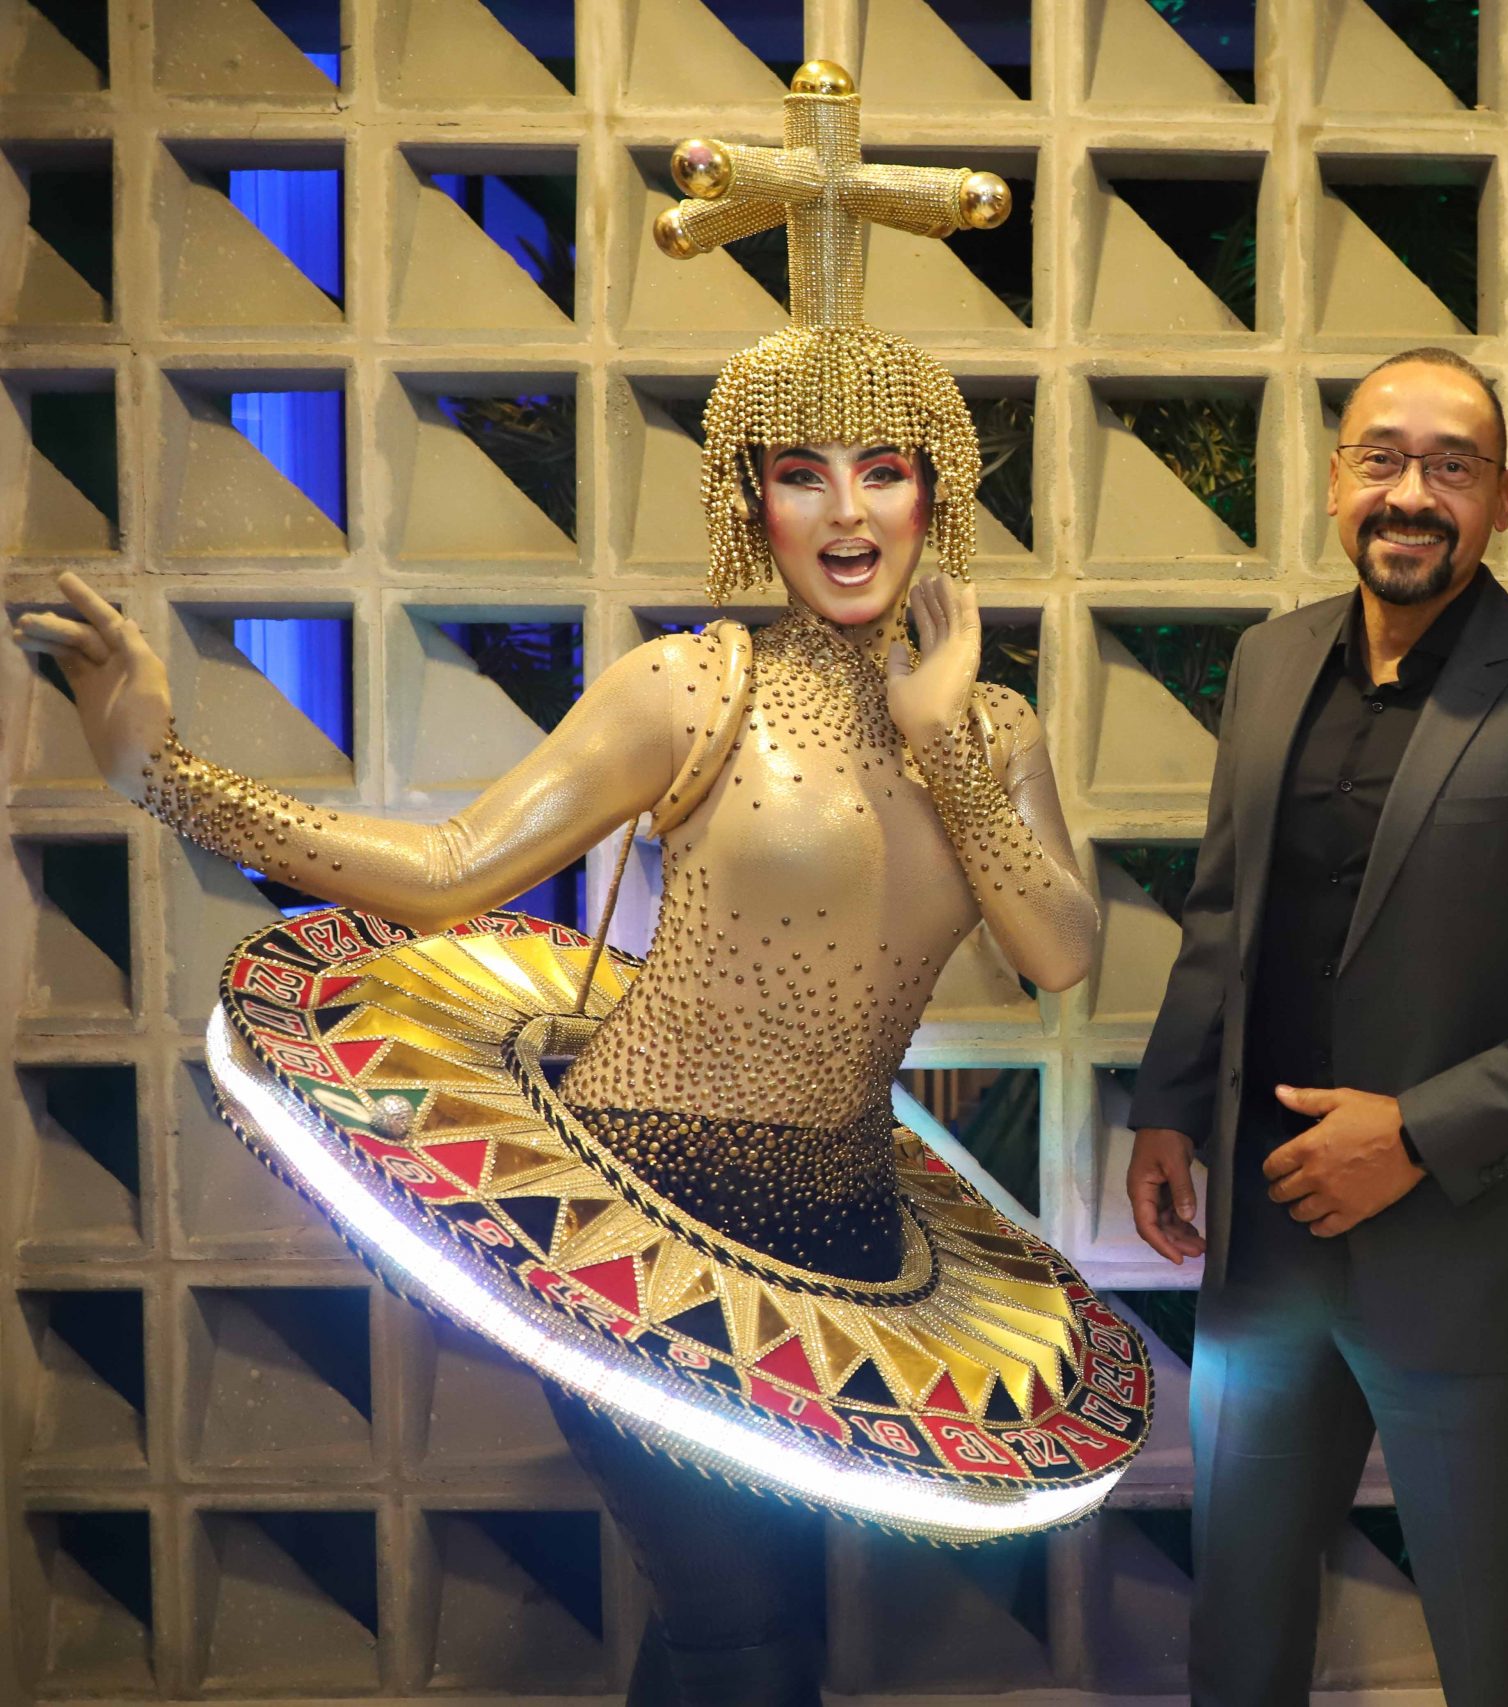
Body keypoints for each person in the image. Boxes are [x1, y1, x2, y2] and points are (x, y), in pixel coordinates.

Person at [14, 62, 1148, 1707]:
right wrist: (166, 777)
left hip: (848, 1231)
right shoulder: (689, 686)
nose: (847, 512)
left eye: (885, 470)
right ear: (752, 501)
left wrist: (940, 748)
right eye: (802, 472)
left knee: (751, 1633)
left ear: (937, 495)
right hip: (625, 1210)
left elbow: (1061, 952)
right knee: (744, 1639)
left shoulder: (995, 729)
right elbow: (449, 873)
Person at [1124, 345, 1508, 1707]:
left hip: (1473, 1258)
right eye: (1384, 459)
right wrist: (1167, 1107)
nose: (1412, 494)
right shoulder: (1272, 660)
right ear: (1336, 478)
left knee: (1502, 1661)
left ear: (1501, 499)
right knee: (1238, 1642)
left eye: (1452, 466)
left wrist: (1416, 1133)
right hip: (1267, 1247)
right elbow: (1224, 913)